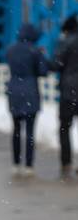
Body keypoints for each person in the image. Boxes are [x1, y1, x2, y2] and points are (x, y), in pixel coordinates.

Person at [5, 23, 48, 177]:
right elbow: (43, 71)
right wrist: (42, 56)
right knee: (30, 131)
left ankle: (16, 163)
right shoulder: (35, 51)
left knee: (16, 130)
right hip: (30, 92)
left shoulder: (10, 49)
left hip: (14, 91)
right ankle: (29, 165)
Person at [53, 15, 78, 179]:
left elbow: (57, 64)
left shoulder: (66, 41)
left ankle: (66, 162)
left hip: (69, 92)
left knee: (64, 128)